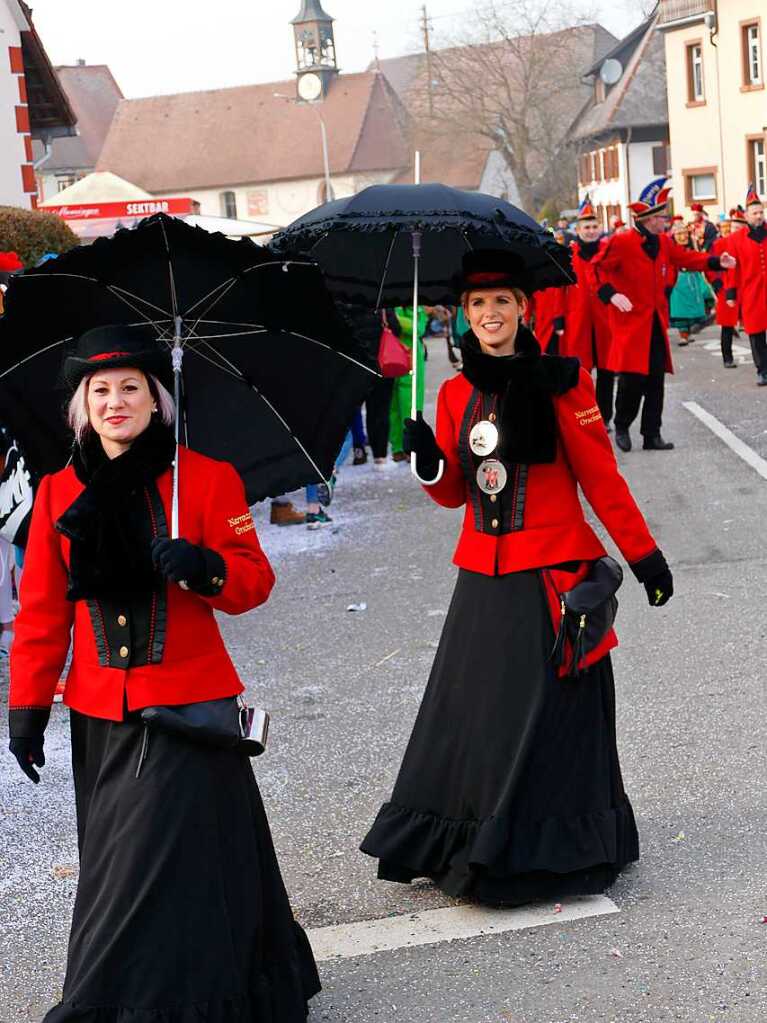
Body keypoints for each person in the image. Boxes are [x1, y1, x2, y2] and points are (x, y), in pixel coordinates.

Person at [8, 324, 320, 1021]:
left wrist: (204, 567)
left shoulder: (205, 479)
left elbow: (252, 580)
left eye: (130, 389)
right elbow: (40, 615)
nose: (115, 402)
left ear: (157, 400)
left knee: (146, 864)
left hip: (189, 708)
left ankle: (118, 1004)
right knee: (127, 862)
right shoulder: (59, 493)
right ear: (81, 408)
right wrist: (26, 709)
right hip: (100, 714)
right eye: (100, 391)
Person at [361, 249, 674, 906]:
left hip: (554, 577)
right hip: (482, 576)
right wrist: (426, 462)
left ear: (523, 309)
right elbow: (452, 495)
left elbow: (601, 479)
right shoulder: (451, 394)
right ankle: (476, 838)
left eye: (502, 301)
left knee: (549, 722)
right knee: (479, 718)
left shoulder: (563, 381)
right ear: (464, 318)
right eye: (478, 305)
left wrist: (643, 556)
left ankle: (551, 844)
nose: (491, 314)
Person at [592, 178, 735, 452]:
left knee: (656, 381)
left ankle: (651, 434)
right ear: (647, 219)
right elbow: (596, 270)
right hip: (631, 325)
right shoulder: (621, 243)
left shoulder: (663, 243)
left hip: (655, 324)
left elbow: (686, 258)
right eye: (661, 216)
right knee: (632, 381)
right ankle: (622, 424)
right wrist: (612, 294)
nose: (666, 221)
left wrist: (717, 262)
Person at [558, 195, 615, 427]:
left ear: (600, 228)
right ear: (578, 229)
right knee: (581, 374)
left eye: (594, 227)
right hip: (577, 322)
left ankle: (605, 417)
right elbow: (558, 292)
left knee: (607, 372)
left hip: (605, 322)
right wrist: (559, 319)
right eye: (586, 227)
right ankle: (584, 416)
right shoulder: (568, 256)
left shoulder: (609, 252)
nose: (591, 231)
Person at [724, 185, 767, 386]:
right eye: (755, 213)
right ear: (747, 216)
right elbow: (732, 268)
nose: (759, 216)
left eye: (761, 212)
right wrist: (731, 293)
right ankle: (763, 370)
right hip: (752, 292)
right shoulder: (735, 239)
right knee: (756, 333)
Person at [707, 210, 746, 368]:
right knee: (727, 325)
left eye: (737, 228)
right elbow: (710, 264)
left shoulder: (748, 242)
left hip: (745, 287)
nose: (733, 231)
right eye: (732, 227)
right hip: (725, 286)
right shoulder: (719, 244)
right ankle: (727, 357)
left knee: (756, 325)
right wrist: (715, 282)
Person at [668, 219, 715, 346]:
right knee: (680, 308)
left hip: (693, 277)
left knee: (702, 297)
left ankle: (695, 326)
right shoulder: (671, 249)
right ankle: (683, 335)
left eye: (684, 234)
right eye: (679, 234)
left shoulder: (693, 246)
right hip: (679, 279)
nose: (683, 237)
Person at [390, 306, 427, 462]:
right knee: (409, 403)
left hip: (392, 354)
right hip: (405, 356)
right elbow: (417, 328)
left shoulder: (391, 303)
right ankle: (406, 448)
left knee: (398, 404)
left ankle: (400, 447)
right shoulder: (412, 304)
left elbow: (418, 328)